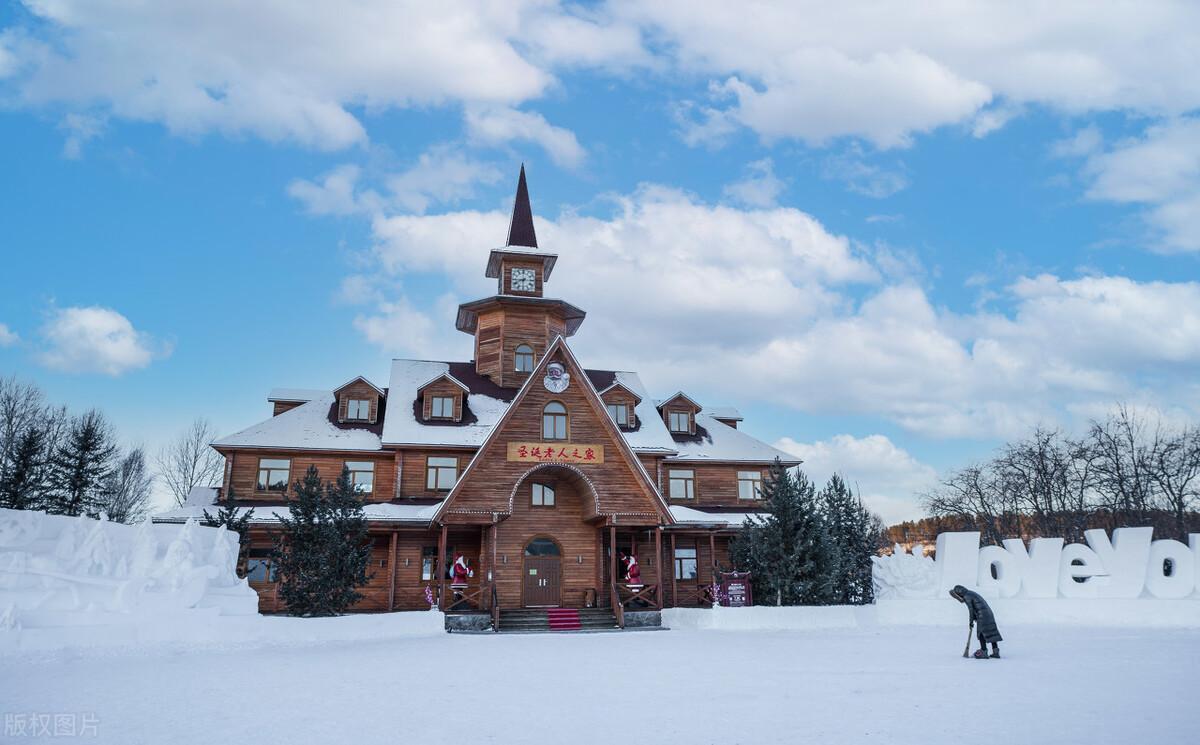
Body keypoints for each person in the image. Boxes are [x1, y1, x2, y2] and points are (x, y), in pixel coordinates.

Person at [949, 585, 1003, 659]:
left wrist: (970, 622)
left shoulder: (967, 596)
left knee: (981, 633)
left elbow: (971, 610)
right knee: (991, 632)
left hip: (982, 616)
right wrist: (975, 617)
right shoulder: (970, 593)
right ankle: (995, 652)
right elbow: (976, 606)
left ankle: (984, 651)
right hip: (988, 614)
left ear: (959, 593)